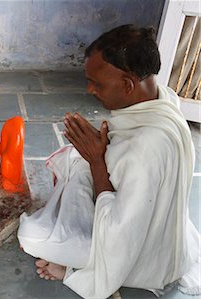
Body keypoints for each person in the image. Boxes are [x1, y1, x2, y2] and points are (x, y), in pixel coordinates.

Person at [17, 24, 200, 298]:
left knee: (30, 235)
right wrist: (96, 152)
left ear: (127, 85)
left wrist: (97, 162)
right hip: (149, 225)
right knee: (74, 159)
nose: (90, 89)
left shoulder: (148, 147)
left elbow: (121, 238)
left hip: (142, 257)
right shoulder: (166, 100)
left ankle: (71, 268)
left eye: (97, 83)